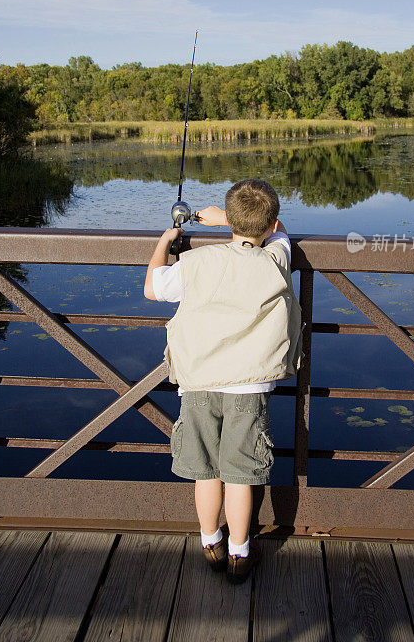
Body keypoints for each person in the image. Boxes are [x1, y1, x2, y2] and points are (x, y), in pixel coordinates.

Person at [143, 178, 302, 584]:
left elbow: (153, 287)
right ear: (268, 226)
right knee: (239, 475)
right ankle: (240, 553)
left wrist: (168, 238)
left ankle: (210, 541)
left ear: (228, 219)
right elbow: (281, 232)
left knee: (205, 472)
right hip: (249, 389)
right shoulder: (275, 258)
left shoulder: (197, 265)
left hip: (198, 385)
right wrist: (231, 221)